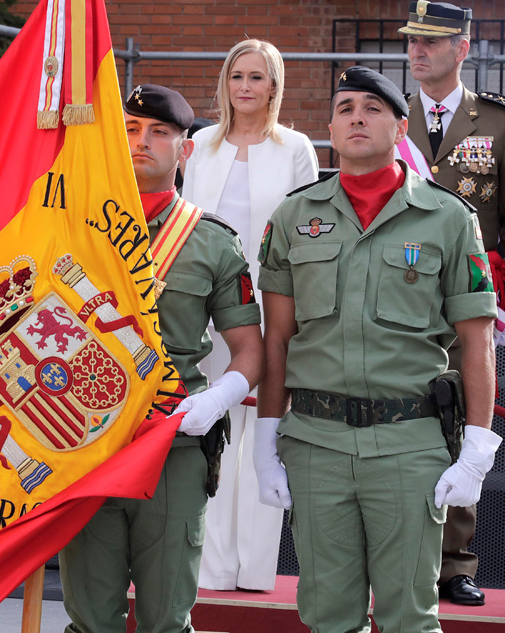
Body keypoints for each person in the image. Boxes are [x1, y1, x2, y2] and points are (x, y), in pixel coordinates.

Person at [255, 66, 502, 633]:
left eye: (372, 107)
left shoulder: (448, 219)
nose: (357, 118)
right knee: (327, 615)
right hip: (316, 444)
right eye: (345, 109)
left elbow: (476, 341)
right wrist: (266, 441)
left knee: (409, 618)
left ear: (400, 125)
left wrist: (477, 451)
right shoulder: (294, 217)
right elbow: (278, 340)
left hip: (409, 444)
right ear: (331, 128)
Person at [59, 84, 264, 633]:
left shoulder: (213, 242)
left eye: (159, 132)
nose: (141, 142)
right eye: (128, 130)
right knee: (89, 621)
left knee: (167, 620)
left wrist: (216, 401)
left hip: (174, 442)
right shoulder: (69, 231)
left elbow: (250, 350)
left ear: (186, 149)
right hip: (87, 441)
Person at [397, 1, 505, 605]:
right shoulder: (386, 113)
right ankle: (401, 556)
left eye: (431, 42)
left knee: (462, 428)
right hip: (393, 298)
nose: (417, 52)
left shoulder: (500, 122)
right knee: (396, 426)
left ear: (463, 47)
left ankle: (454, 563)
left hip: (465, 303)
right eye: (412, 42)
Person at [181, 38, 319, 592]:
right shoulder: (198, 144)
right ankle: (210, 566)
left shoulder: (296, 148)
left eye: (257, 77)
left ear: (274, 85)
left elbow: (310, 232)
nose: (245, 87)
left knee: (264, 429)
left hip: (270, 303)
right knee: (207, 424)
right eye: (237, 75)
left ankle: (255, 567)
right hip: (203, 307)